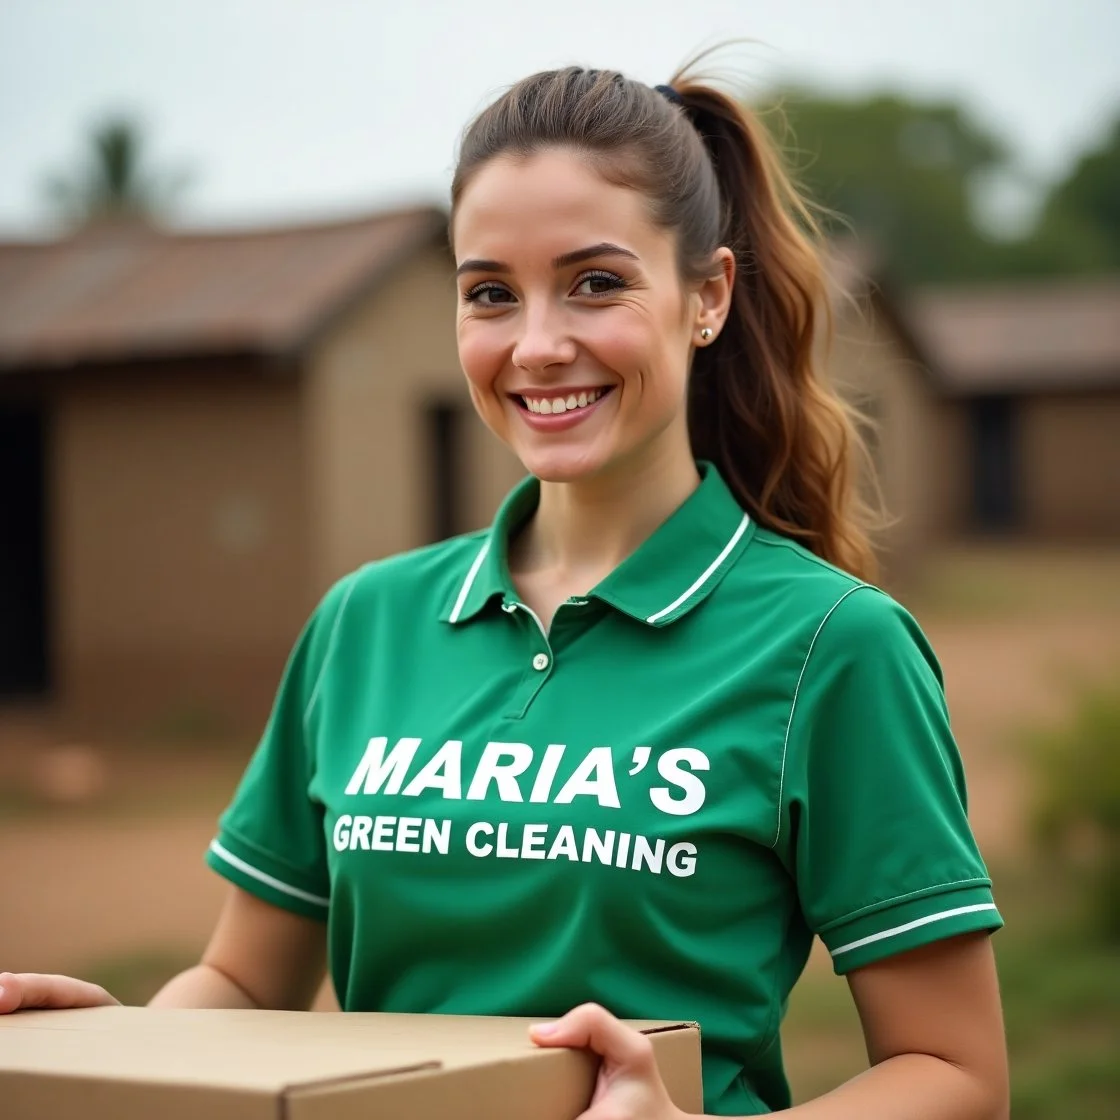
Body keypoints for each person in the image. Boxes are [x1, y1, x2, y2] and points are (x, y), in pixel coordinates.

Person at [0, 61, 1009, 1119]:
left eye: (596, 282)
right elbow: (248, 982)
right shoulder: (365, 622)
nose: (536, 345)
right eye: (490, 292)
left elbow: (957, 1074)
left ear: (705, 296)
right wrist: (121, 1047)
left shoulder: (833, 645)